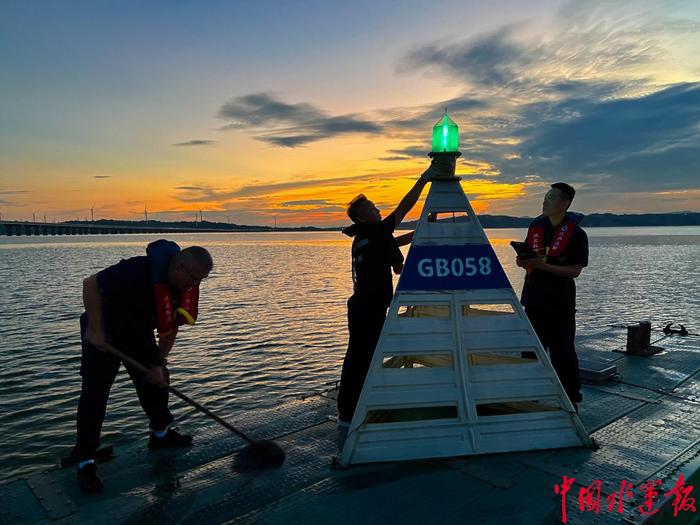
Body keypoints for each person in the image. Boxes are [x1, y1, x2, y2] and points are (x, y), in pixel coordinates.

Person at [70, 239, 213, 494]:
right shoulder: (135, 270)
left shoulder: (183, 287)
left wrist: (158, 362)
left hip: (138, 335)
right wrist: (94, 328)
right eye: (193, 279)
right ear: (178, 267)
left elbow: (170, 329)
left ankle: (160, 435)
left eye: (200, 280)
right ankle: (85, 461)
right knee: (95, 393)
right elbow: (90, 284)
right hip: (104, 333)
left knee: (158, 382)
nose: (195, 285)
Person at [337, 159, 449, 433]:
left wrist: (425, 226)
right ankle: (350, 413)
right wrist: (424, 179)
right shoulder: (374, 231)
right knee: (361, 358)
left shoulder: (366, 236)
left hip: (363, 307)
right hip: (368, 308)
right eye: (373, 208)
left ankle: (350, 409)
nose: (378, 210)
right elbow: (403, 208)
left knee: (360, 356)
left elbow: (395, 245)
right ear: (363, 217)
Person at [517, 182, 588, 410]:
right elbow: (527, 260)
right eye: (545, 196)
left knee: (563, 352)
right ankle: (530, 395)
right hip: (533, 299)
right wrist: (523, 261)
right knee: (530, 351)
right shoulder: (536, 227)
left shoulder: (577, 234)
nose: (545, 201)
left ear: (564, 204)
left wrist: (542, 266)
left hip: (560, 303)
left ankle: (571, 398)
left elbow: (575, 271)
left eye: (551, 197)